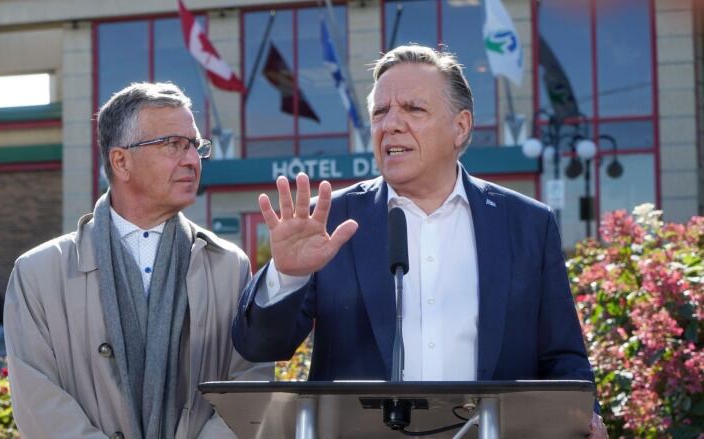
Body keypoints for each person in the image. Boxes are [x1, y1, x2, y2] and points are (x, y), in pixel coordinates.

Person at [232, 45, 607, 438]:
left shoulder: (528, 223)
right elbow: (258, 347)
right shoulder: (329, 221)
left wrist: (585, 419)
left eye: (413, 109)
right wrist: (287, 275)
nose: (390, 124)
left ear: (460, 127)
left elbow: (563, 357)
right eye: (380, 112)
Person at [4, 82, 271, 439]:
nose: (192, 159)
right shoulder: (37, 273)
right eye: (173, 144)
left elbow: (250, 379)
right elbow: (39, 403)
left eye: (195, 145)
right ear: (121, 161)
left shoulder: (228, 266)